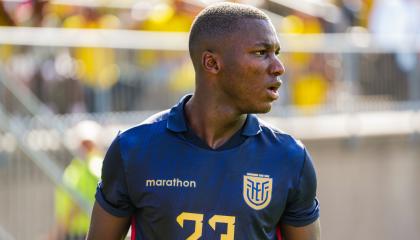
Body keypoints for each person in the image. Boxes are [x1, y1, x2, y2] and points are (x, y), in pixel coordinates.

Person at [87, 3, 320, 240]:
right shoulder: (134, 149)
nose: (278, 67)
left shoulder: (289, 158)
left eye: (276, 54)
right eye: (261, 53)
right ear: (211, 63)